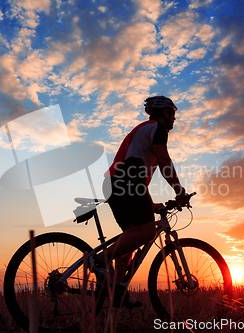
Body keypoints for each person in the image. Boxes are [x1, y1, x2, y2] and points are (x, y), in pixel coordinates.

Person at [92, 96, 189, 308]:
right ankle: (98, 260)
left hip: (115, 183)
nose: (174, 119)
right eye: (173, 113)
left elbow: (137, 174)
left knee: (132, 236)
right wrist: (179, 191)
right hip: (125, 182)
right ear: (166, 113)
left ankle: (116, 288)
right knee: (147, 233)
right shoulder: (157, 129)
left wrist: (151, 204)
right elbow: (164, 161)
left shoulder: (143, 129)